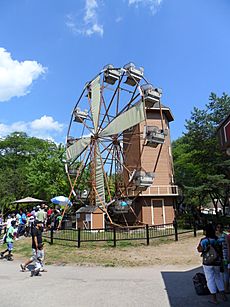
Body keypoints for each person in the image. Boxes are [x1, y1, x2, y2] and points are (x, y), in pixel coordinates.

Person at [197, 223, 227, 304]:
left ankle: (214, 299)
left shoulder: (204, 240)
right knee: (218, 277)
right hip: (217, 261)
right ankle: (223, 296)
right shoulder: (218, 239)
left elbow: (199, 249)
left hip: (207, 262)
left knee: (210, 279)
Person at [215, 223, 230, 293]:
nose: (219, 228)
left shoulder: (225, 235)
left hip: (224, 255)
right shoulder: (214, 235)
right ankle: (220, 287)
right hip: (217, 255)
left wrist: (228, 255)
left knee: (225, 271)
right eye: (218, 227)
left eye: (220, 227)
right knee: (218, 271)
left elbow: (228, 246)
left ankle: (226, 287)